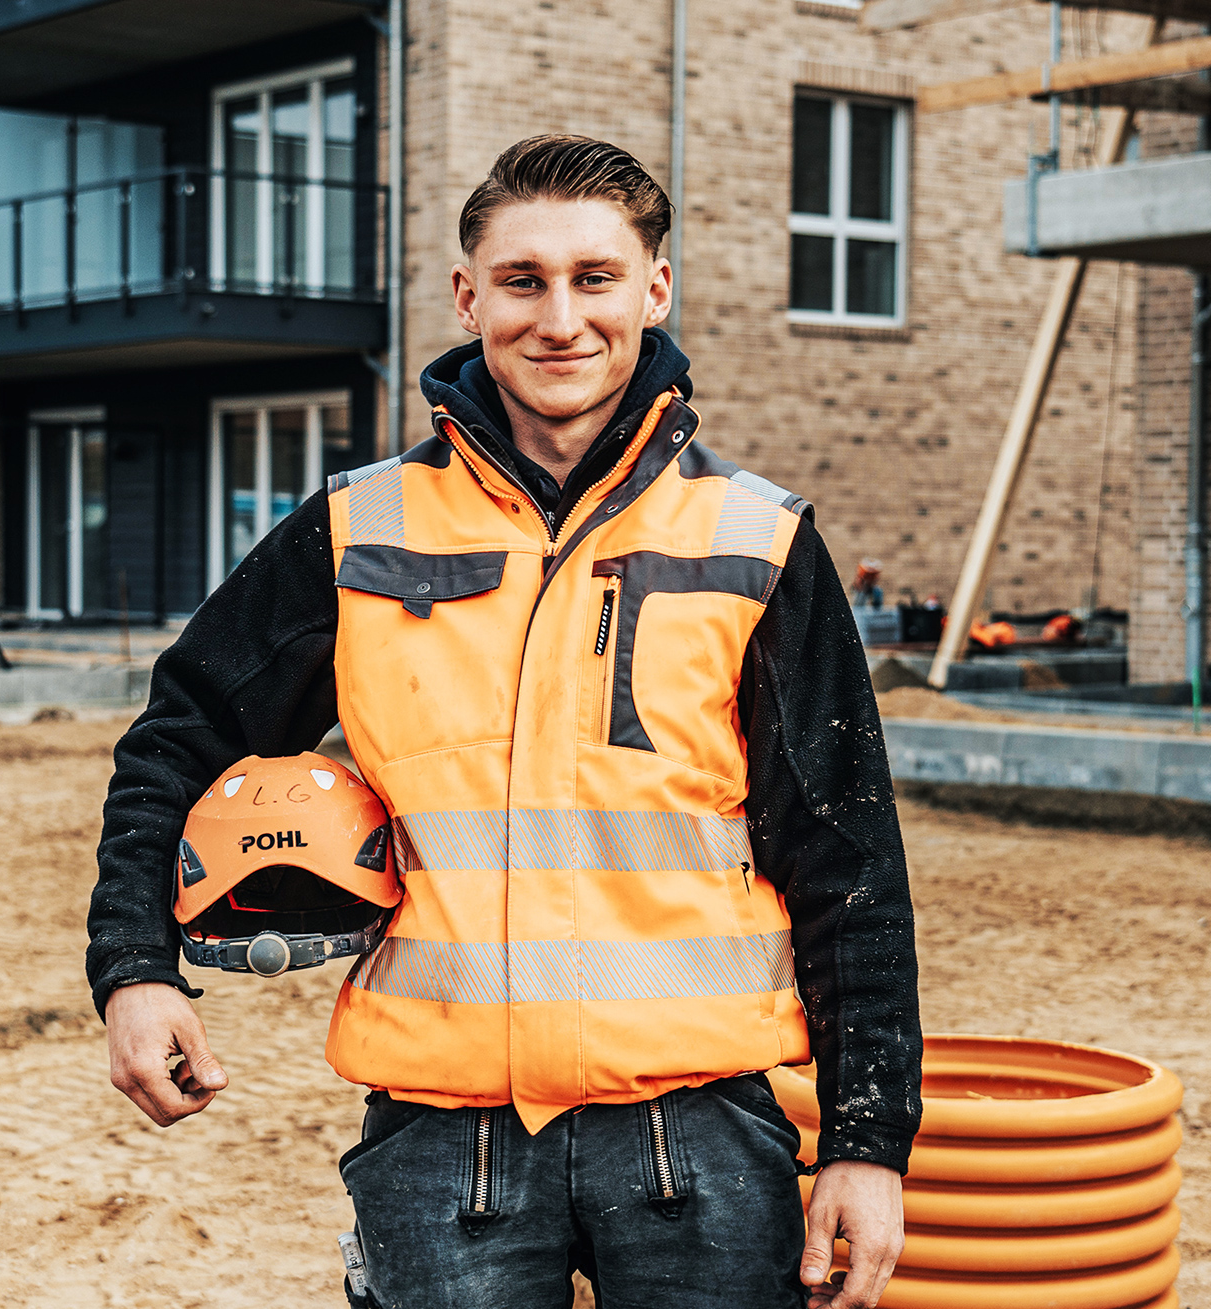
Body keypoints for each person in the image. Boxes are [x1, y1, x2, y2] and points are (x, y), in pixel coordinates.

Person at [89, 134, 921, 1309]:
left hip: (703, 1137)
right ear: (468, 296)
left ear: (654, 289)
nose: (560, 318)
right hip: (442, 1145)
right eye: (523, 281)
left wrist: (865, 1140)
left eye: (594, 278)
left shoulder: (756, 541)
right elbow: (173, 741)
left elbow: (849, 861)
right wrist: (135, 968)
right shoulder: (355, 531)